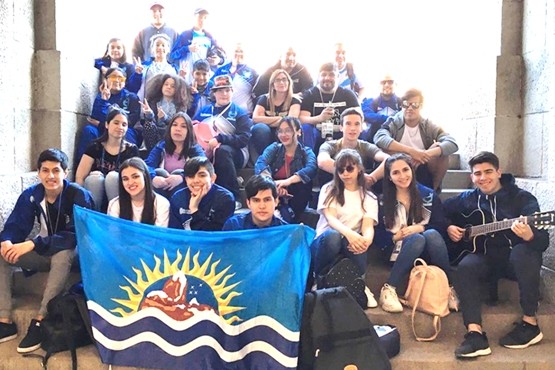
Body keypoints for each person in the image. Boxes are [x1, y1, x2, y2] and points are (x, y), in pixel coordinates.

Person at [443, 151, 548, 358]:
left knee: (524, 252)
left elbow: (542, 241)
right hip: (484, 258)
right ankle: (475, 334)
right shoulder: (466, 199)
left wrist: (529, 235)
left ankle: (530, 323)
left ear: (499, 172)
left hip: (513, 261)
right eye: (478, 174)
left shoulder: (522, 198)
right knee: (465, 267)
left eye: (488, 172)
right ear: (472, 177)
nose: (483, 178)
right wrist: (448, 227)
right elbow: (439, 212)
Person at [0, 149, 95, 353]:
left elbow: (76, 235)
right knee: (2, 254)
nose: (50, 176)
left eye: (56, 170)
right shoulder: (32, 195)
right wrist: (7, 241)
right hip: (45, 250)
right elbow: (16, 225)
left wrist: (33, 244)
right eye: (45, 170)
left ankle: (40, 319)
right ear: (38, 172)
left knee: (63, 253)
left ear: (66, 173)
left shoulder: (79, 195)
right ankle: (5, 320)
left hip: (77, 255)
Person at [374, 153, 458, 313]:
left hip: (427, 252)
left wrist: (419, 228)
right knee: (417, 239)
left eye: (405, 170)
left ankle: (447, 287)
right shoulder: (382, 201)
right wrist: (394, 237)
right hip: (396, 252)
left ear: (412, 171)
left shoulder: (428, 195)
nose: (402, 176)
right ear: (390, 177)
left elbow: (440, 225)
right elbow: (376, 233)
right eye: (395, 172)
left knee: (430, 234)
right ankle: (389, 288)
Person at [310, 149, 379, 307]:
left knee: (361, 241)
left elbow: (368, 226)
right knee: (333, 236)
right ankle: (318, 280)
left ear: (359, 168)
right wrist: (351, 235)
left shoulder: (369, 197)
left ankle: (360, 282)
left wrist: (366, 240)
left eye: (349, 168)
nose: (345, 173)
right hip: (326, 241)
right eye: (340, 169)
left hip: (351, 241)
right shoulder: (329, 189)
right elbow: (331, 218)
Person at [373, 88, 458, 192]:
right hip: (398, 164)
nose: (410, 108)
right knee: (387, 149)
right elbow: (379, 137)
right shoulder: (394, 121)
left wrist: (424, 154)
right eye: (406, 104)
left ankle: (433, 193)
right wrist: (411, 152)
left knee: (439, 148)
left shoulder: (428, 125)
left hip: (421, 165)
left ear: (421, 106)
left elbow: (452, 143)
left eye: (415, 105)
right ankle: (388, 191)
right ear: (401, 106)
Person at [193, 75, 252, 208]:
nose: (224, 94)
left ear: (232, 91)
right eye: (220, 90)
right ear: (214, 93)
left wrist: (220, 139)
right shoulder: (204, 111)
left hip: (236, 152)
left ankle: (234, 196)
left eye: (227, 90)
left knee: (222, 151)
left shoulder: (239, 112)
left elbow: (243, 139)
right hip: (206, 150)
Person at [75, 107, 140, 211]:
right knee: (94, 179)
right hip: (95, 191)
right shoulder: (95, 146)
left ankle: (116, 217)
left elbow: (136, 178)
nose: (120, 127)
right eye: (116, 123)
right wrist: (78, 200)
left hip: (120, 194)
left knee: (113, 177)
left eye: (124, 124)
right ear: (107, 124)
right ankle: (94, 218)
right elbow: (80, 177)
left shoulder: (131, 150)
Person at [255, 117, 317, 223]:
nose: (283, 135)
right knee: (259, 181)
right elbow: (260, 163)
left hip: (295, 195)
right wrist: (273, 185)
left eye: (288, 130)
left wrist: (287, 182)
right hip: (273, 191)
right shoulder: (274, 148)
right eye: (280, 131)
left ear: (299, 132)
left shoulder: (306, 152)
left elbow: (311, 168)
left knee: (302, 185)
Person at [77, 67, 142, 164]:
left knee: (128, 131)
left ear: (124, 82)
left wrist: (102, 123)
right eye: (113, 77)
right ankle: (82, 167)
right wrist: (104, 100)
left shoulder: (132, 97)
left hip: (122, 129)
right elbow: (95, 117)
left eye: (120, 78)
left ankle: (129, 166)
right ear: (106, 80)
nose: (116, 80)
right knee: (89, 130)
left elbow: (130, 121)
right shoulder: (101, 96)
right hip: (103, 131)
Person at [317, 108, 388, 189]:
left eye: (357, 124)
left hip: (361, 186)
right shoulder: (329, 145)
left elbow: (387, 159)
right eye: (348, 124)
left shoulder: (366, 146)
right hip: (336, 186)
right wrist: (357, 176)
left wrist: (371, 178)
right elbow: (322, 161)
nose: (353, 128)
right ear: (341, 127)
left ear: (361, 128)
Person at [299, 62, 360, 152]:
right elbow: (302, 119)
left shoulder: (348, 94)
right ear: (319, 77)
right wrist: (320, 118)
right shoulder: (310, 94)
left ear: (338, 76)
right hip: (317, 133)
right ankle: (308, 159)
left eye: (331, 74)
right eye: (323, 75)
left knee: (361, 130)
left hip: (342, 133)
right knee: (306, 128)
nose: (327, 78)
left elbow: (359, 115)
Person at [145, 112, 205, 199]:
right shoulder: (161, 146)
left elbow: (203, 167)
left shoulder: (194, 149)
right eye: (175, 125)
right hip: (163, 188)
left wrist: (182, 178)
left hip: (186, 191)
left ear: (189, 131)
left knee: (179, 173)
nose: (178, 129)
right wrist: (153, 178)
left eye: (183, 126)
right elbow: (148, 164)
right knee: (159, 173)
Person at [169, 156, 235, 231]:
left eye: (202, 175)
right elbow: (174, 234)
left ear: (212, 178)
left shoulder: (225, 198)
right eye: (191, 176)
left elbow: (216, 236)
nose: (196, 180)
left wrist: (194, 209)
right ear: (186, 180)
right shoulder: (178, 197)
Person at [250, 69, 301, 157]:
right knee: (260, 128)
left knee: (290, 129)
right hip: (267, 132)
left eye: (284, 79)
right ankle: (265, 158)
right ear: (272, 84)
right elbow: (255, 118)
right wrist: (280, 119)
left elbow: (291, 121)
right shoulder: (264, 99)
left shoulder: (294, 100)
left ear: (289, 82)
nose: (281, 82)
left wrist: (267, 120)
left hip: (285, 131)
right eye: (277, 80)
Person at [108, 157, 170, 227]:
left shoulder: (161, 204)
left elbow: (158, 236)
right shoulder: (114, 204)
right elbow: (113, 235)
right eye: (125, 179)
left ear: (145, 177)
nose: (130, 182)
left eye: (135, 177)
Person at [169, 8, 225, 84]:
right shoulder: (185, 35)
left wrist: (218, 60)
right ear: (194, 17)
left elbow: (222, 56)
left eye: (205, 18)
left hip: (205, 81)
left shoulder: (210, 37)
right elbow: (172, 56)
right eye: (200, 17)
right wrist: (187, 48)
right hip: (187, 79)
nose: (202, 20)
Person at [141, 73, 191, 151]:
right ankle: (151, 152)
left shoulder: (181, 105)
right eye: (166, 84)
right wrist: (149, 114)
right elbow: (150, 122)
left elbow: (180, 122)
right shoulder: (153, 101)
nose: (168, 87)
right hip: (155, 132)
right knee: (148, 125)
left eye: (172, 86)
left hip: (170, 132)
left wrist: (165, 118)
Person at [223, 175, 287, 231]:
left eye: (267, 200)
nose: (262, 206)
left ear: (276, 201)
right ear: (248, 203)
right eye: (256, 200)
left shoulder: (285, 231)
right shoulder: (233, 226)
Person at [212, 43, 259, 115]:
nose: (238, 54)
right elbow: (210, 87)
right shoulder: (222, 69)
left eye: (241, 51)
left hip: (244, 113)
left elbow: (257, 93)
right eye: (236, 51)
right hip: (223, 112)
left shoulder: (252, 72)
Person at [131, 33, 178, 101]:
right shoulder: (143, 66)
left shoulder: (173, 68)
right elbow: (133, 88)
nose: (160, 48)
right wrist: (137, 74)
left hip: (167, 104)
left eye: (163, 45)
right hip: (148, 102)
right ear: (152, 49)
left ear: (168, 49)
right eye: (157, 45)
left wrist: (182, 76)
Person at [361, 74, 402, 143]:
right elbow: (365, 115)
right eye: (383, 82)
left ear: (396, 84)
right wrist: (390, 119)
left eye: (390, 82)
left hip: (396, 143)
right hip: (372, 143)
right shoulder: (370, 101)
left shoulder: (402, 102)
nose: (386, 85)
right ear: (378, 85)